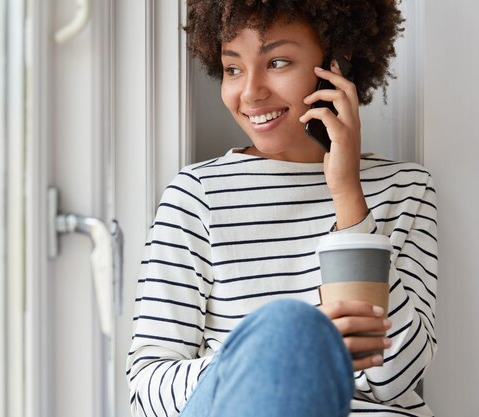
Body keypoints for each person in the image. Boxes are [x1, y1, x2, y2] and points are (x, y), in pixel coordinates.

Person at [126, 1, 437, 416]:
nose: (251, 92)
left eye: (277, 61)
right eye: (233, 68)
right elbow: (147, 389)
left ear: (336, 63)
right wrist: (270, 354)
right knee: (290, 327)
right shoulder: (195, 195)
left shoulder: (405, 190)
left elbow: (394, 377)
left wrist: (347, 196)